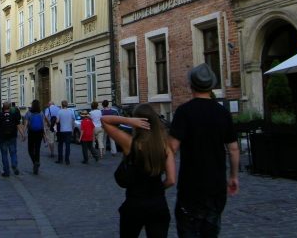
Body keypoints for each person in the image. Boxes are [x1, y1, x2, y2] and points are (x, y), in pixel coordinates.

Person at [169, 63, 239, 237]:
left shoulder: (184, 112)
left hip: (190, 186)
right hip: (215, 186)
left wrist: (169, 176)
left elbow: (172, 148)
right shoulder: (223, 113)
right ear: (212, 85)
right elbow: (234, 149)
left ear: (191, 85)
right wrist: (233, 176)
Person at [102, 103, 176, 238]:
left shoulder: (131, 143)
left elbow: (105, 120)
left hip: (134, 203)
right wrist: (158, 189)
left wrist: (128, 121)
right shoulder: (165, 145)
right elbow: (171, 180)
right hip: (158, 204)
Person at [0, 102, 25, 177]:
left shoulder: (0, 115)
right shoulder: (13, 115)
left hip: (3, 137)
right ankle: (14, 164)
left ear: (3, 107)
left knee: (4, 154)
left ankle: (6, 172)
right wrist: (23, 135)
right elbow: (18, 126)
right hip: (12, 137)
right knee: (13, 152)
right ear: (9, 108)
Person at [23, 99, 46, 175]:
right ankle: (37, 163)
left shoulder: (29, 113)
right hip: (39, 132)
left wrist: (24, 134)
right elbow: (43, 125)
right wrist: (44, 135)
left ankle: (35, 162)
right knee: (37, 149)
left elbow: (26, 124)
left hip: (32, 133)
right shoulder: (41, 113)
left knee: (30, 149)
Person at [56, 100, 75, 165]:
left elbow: (57, 121)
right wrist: (72, 128)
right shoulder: (70, 112)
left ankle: (60, 159)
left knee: (60, 145)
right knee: (67, 145)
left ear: (62, 105)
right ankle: (67, 160)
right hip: (69, 130)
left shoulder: (59, 112)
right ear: (67, 105)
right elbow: (73, 120)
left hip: (62, 130)